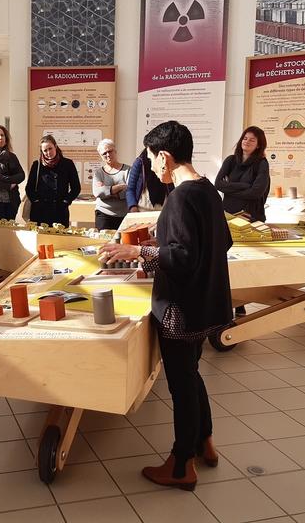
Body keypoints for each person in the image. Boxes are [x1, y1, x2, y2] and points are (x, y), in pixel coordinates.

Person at [99, 121, 232, 491]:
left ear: (165, 157)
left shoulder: (179, 197)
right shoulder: (207, 190)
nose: (152, 168)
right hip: (209, 304)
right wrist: (166, 239)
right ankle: (204, 440)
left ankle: (181, 464)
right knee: (192, 374)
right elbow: (224, 242)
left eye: (152, 159)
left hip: (181, 310)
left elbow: (184, 257)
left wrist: (137, 250)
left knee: (181, 385)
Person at [215, 125, 270, 223]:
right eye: (245, 138)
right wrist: (244, 186)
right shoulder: (230, 160)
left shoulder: (262, 163)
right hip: (228, 215)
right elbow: (218, 184)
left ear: (258, 145)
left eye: (252, 140)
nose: (247, 142)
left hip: (251, 217)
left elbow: (256, 193)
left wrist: (228, 189)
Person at [26, 135, 81, 227]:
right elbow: (29, 188)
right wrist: (36, 201)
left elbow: (76, 188)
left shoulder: (67, 164)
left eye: (50, 148)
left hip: (59, 211)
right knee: (40, 240)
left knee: (60, 239)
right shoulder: (37, 165)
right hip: (40, 211)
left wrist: (66, 201)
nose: (48, 152)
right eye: (45, 150)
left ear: (55, 147)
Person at [92, 138, 129, 230]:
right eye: (104, 153)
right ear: (101, 156)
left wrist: (107, 191)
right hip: (103, 214)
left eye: (110, 151)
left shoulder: (128, 170)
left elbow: (130, 191)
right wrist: (119, 187)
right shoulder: (98, 173)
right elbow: (98, 192)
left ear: (115, 151)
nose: (108, 155)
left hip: (124, 215)